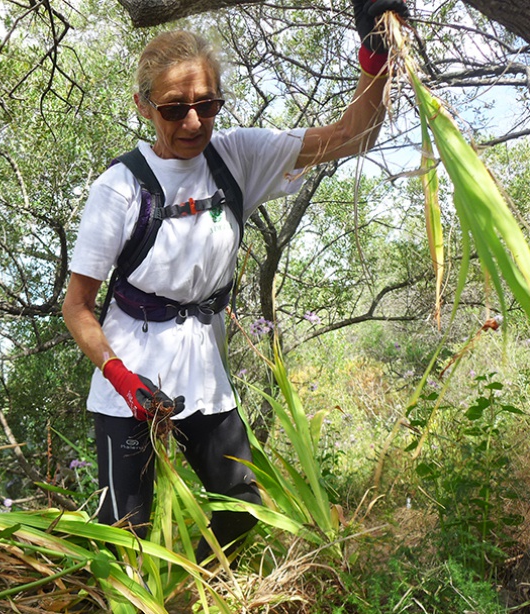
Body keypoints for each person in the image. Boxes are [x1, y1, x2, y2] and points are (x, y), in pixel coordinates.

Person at [62, 0, 408, 562]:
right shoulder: (120, 188)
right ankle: (126, 595)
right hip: (130, 372)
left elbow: (355, 135)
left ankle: (185, 590)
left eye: (207, 105)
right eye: (174, 109)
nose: (193, 123)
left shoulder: (237, 157)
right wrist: (121, 378)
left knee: (242, 508)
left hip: (203, 366)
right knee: (124, 534)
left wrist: (376, 57)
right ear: (144, 106)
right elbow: (77, 306)